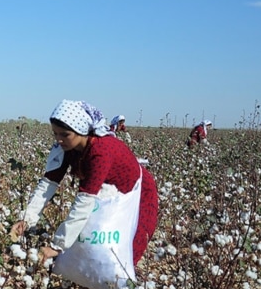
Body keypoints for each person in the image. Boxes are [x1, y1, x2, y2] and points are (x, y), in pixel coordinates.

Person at [11, 100, 158, 278]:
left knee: (122, 255)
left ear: (81, 130)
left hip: (137, 194)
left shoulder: (101, 151)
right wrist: (27, 218)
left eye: (64, 134)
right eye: (55, 133)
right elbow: (49, 183)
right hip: (106, 191)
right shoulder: (66, 147)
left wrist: (57, 246)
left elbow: (85, 200)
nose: (58, 139)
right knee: (91, 243)